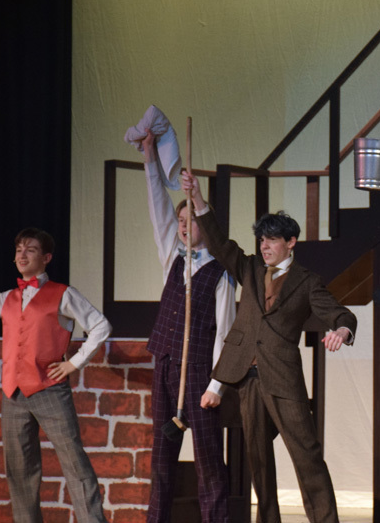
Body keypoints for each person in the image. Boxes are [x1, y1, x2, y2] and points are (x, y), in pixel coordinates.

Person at [182, 170, 357, 523]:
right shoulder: (248, 269)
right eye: (262, 239)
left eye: (272, 240)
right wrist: (199, 200)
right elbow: (218, 242)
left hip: (283, 378)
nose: (264, 246)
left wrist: (342, 331)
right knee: (258, 459)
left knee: (306, 454)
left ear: (290, 242)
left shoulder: (307, 282)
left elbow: (340, 313)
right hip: (248, 379)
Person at [0, 228, 110, 523]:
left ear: (46, 258)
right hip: (13, 393)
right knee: (20, 473)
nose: (22, 254)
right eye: (19, 249)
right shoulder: (9, 297)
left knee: (74, 464)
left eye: (30, 250)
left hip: (50, 390)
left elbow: (101, 326)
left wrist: (74, 364)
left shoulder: (63, 294)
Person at [140, 130, 235, 523]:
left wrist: (216, 386)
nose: (182, 225)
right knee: (161, 462)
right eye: (180, 220)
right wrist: (149, 161)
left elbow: (226, 333)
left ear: (205, 226)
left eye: (190, 220)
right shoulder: (172, 258)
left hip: (198, 375)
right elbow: (157, 208)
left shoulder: (220, 273)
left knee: (208, 464)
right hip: (165, 367)